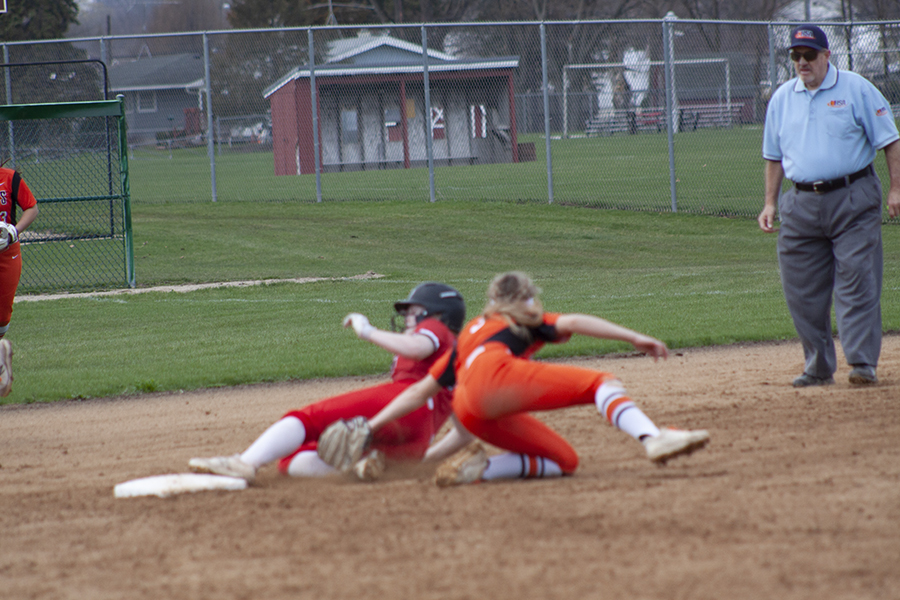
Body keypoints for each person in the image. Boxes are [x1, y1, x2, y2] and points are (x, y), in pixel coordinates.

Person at [339, 271, 709, 487]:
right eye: (532, 296)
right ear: (523, 299)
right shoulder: (520, 320)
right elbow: (575, 322)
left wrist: (370, 426)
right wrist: (633, 337)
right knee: (601, 383)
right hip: (497, 379)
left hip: (469, 408)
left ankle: (478, 470)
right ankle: (652, 438)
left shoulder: (469, 333)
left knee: (565, 462)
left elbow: (421, 392)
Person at [188, 282, 465, 482]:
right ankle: (358, 469)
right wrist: (426, 456)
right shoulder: (460, 358)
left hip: (403, 401)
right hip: (419, 438)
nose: (407, 318)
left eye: (414, 311)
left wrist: (368, 332)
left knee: (307, 419)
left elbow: (418, 348)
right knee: (291, 461)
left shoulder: (436, 329)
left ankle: (244, 462)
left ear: (439, 314)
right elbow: (464, 428)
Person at [759, 24, 900, 387]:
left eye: (808, 55)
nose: (801, 62)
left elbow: (890, 140)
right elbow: (773, 157)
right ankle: (819, 367)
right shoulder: (781, 99)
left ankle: (862, 363)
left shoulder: (856, 88)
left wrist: (895, 189)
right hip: (800, 202)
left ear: (826, 55)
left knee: (857, 279)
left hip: (853, 198)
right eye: (795, 56)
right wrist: (770, 203)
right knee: (801, 290)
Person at [0, 165, 39, 397]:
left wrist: (15, 230)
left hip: (7, 254)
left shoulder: (10, 178)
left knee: (2, 320)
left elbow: (32, 208)